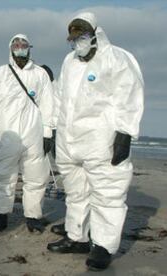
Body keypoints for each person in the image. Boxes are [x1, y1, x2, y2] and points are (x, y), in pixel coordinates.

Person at [46, 12, 144, 271]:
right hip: (69, 141)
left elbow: (130, 94)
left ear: (95, 33)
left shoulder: (116, 58)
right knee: (76, 192)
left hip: (102, 141)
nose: (78, 41)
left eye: (83, 35)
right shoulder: (69, 61)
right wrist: (54, 129)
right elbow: (59, 96)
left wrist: (125, 133)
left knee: (107, 193)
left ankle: (103, 245)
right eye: (74, 37)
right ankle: (77, 236)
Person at [0, 34, 54, 233]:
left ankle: (33, 217)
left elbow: (49, 104)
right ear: (10, 48)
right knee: (3, 176)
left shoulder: (40, 74)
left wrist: (48, 133)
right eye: (16, 44)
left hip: (34, 134)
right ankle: (0, 216)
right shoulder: (0, 73)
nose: (20, 47)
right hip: (7, 135)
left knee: (36, 178)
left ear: (30, 47)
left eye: (23, 44)